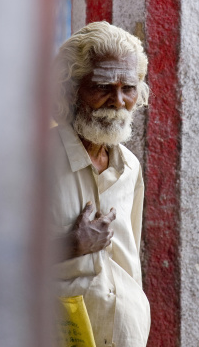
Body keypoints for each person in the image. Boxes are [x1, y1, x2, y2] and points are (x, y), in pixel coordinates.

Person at [50, 21, 150, 346]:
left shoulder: (130, 167)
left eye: (129, 88)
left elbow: (128, 260)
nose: (118, 101)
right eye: (103, 86)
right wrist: (70, 246)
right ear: (69, 88)